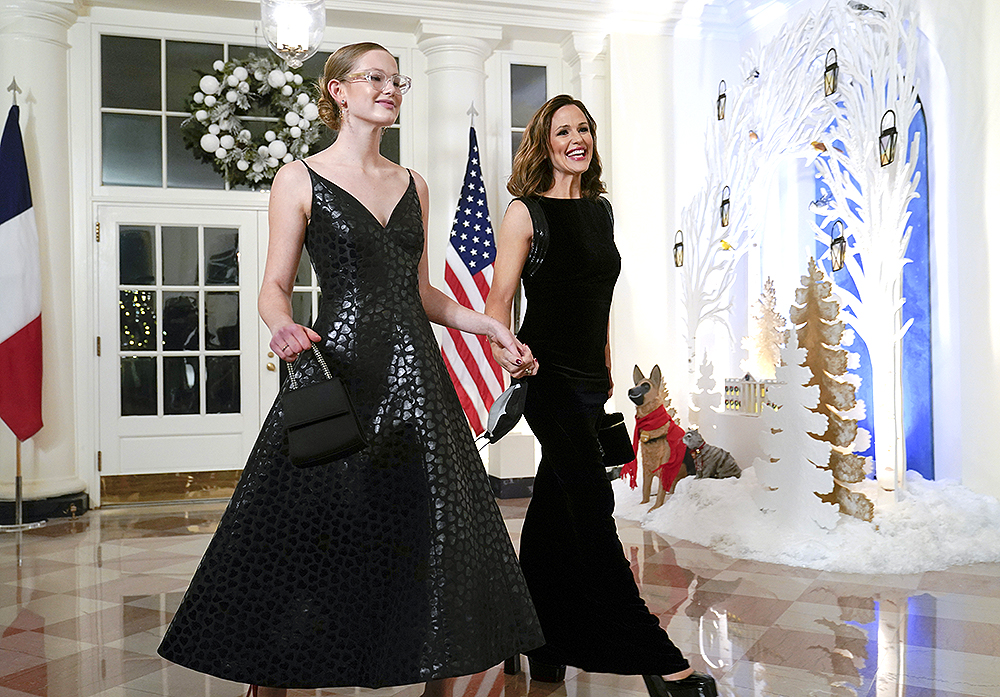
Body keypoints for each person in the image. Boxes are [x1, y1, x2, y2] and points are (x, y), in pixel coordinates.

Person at [158, 42, 543, 697]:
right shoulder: (298, 178)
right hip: (338, 375)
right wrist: (280, 324)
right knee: (311, 536)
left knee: (436, 535)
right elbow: (273, 284)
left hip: (417, 380)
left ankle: (435, 669)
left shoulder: (414, 184)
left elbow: (420, 290)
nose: (391, 88)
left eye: (397, 80)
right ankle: (282, 678)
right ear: (338, 90)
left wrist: (488, 326)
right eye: (376, 78)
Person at [485, 94, 717, 697]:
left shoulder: (600, 212)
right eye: (563, 131)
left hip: (591, 379)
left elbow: (598, 296)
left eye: (584, 129)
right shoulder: (524, 213)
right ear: (544, 143)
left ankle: (531, 634)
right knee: (591, 510)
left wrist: (608, 360)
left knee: (552, 513)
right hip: (548, 377)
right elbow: (498, 302)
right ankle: (657, 656)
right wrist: (509, 352)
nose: (577, 139)